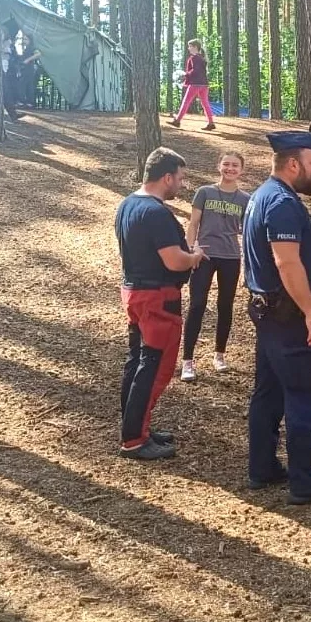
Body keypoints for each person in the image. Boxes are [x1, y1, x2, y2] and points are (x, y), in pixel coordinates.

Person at [243, 130, 311, 504]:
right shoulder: (282, 202)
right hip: (286, 317)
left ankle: (262, 467)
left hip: (268, 312)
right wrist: (310, 312)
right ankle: (305, 483)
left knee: (268, 391)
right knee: (303, 395)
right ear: (292, 164)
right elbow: (286, 263)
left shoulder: (261, 195)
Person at [116, 148, 205, 460]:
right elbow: (174, 260)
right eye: (180, 178)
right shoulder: (156, 213)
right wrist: (194, 257)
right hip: (157, 298)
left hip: (134, 292)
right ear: (166, 177)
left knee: (137, 361)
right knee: (153, 367)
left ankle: (134, 426)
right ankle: (134, 440)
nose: (181, 184)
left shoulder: (127, 204)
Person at [181, 151, 250, 382]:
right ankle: (187, 361)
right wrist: (191, 250)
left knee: (225, 305)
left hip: (231, 257)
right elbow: (193, 224)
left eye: (235, 165)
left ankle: (219, 355)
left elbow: (248, 231)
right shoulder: (204, 192)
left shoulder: (245, 199)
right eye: (226, 164)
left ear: (241, 170)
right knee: (197, 305)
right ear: (218, 166)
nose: (230, 168)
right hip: (204, 256)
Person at [169, 38, 216, 131]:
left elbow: (195, 70)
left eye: (190, 46)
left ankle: (177, 121)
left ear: (195, 47)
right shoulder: (202, 58)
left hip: (195, 83)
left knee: (186, 102)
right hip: (204, 84)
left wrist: (185, 75)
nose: (188, 48)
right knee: (205, 103)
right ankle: (211, 123)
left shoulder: (194, 58)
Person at [0, 31, 23, 121]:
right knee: (6, 92)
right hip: (0, 69)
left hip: (4, 70)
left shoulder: (10, 45)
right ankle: (12, 114)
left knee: (7, 92)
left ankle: (13, 114)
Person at [16, 33, 41, 108]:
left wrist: (28, 60)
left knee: (27, 85)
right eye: (23, 39)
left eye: (26, 39)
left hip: (29, 69)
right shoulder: (26, 48)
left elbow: (38, 54)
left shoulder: (32, 48)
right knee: (24, 84)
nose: (24, 41)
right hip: (24, 69)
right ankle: (24, 101)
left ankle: (28, 102)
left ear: (30, 40)